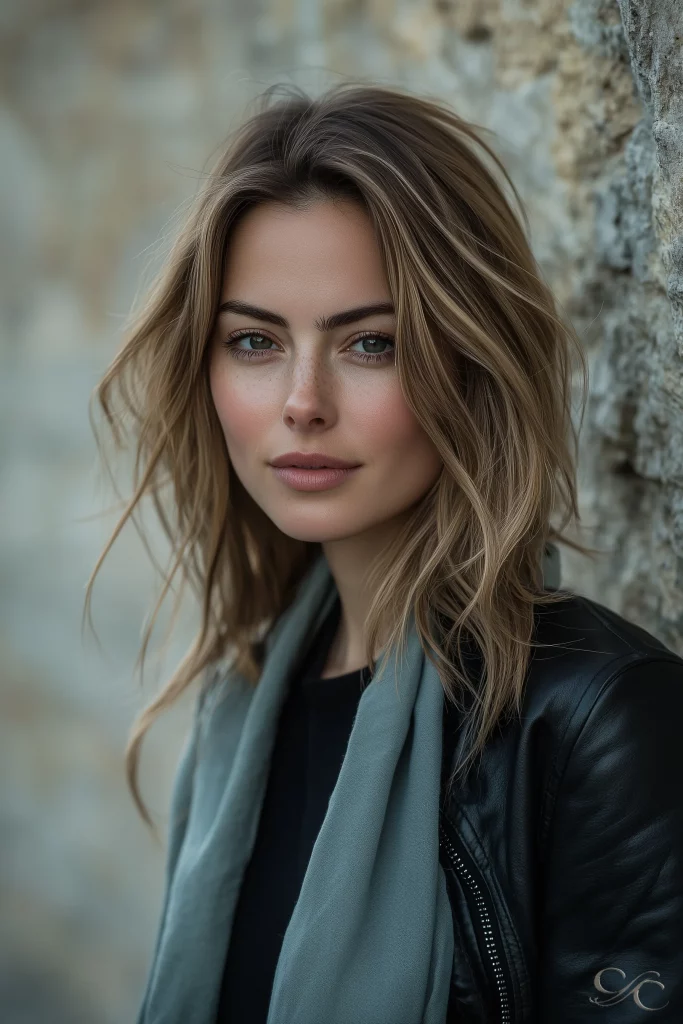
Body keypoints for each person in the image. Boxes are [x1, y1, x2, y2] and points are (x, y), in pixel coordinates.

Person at [85, 81, 683, 1023]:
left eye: (369, 344)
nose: (302, 401)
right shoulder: (248, 693)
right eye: (254, 341)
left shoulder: (593, 723)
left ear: (471, 362)